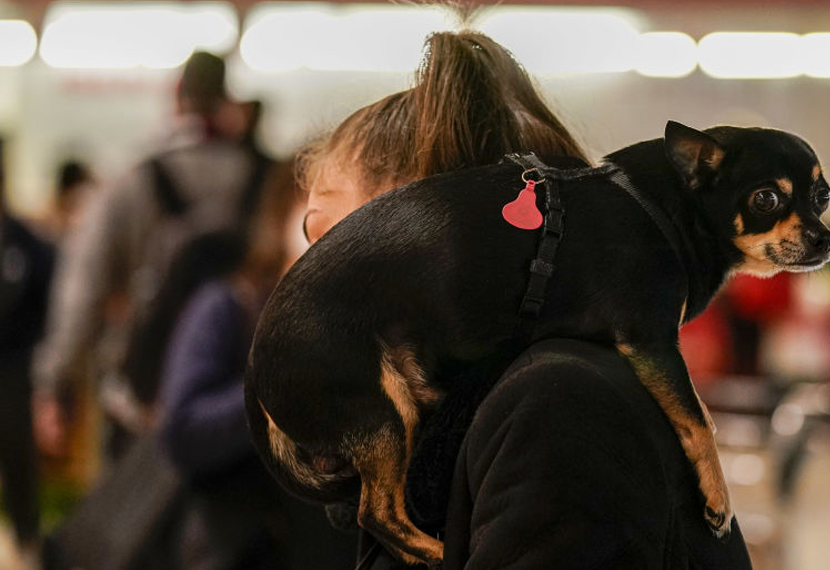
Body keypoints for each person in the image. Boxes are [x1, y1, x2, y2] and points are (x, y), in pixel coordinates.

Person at [295, 31, 752, 569]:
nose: (299, 285)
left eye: (326, 240)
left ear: (434, 242)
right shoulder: (471, 417)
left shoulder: (557, 408)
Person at [33, 51, 271, 462]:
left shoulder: (131, 181)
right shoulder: (265, 180)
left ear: (177, 95)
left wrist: (56, 383)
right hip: (239, 399)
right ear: (226, 99)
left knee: (131, 500)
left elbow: (83, 291)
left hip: (141, 397)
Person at [158, 161, 352, 570]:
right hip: (241, 546)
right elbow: (182, 429)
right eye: (319, 206)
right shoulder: (227, 306)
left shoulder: (360, 318)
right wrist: (281, 386)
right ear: (285, 213)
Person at [0, 137, 56, 568]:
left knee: (19, 460)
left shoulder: (25, 241)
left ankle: (28, 543)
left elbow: (46, 303)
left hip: (13, 367)